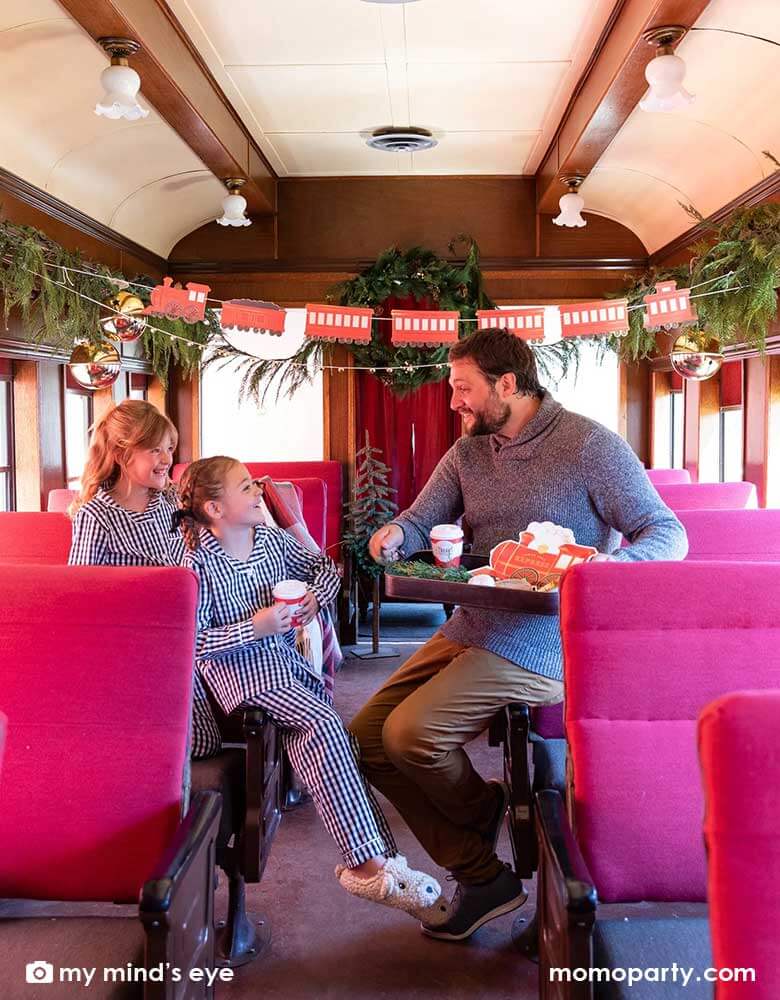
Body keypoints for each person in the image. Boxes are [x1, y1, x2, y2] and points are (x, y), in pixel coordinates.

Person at [350, 328, 688, 941]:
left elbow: (668, 533)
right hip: (473, 619)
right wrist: (397, 533)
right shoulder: (468, 452)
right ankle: (487, 853)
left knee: (411, 734)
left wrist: (606, 571)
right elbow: (424, 516)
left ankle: (479, 848)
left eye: (463, 388)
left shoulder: (589, 446)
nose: (454, 401)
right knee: (366, 738)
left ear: (507, 384)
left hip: (546, 638)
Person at [175, 455, 449, 921]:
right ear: (215, 509)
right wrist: (255, 627)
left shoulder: (269, 541)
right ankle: (368, 865)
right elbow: (193, 642)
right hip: (235, 674)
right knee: (321, 722)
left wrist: (312, 600)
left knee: (323, 735)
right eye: (245, 487)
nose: (259, 492)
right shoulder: (194, 563)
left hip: (284, 662)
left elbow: (325, 569)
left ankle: (379, 863)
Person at [68, 399, 221, 758]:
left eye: (169, 448)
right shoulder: (96, 515)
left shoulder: (167, 500)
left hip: (181, 638)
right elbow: (79, 597)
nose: (167, 458)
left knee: (206, 740)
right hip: (131, 649)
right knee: (195, 744)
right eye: (155, 450)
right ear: (122, 454)